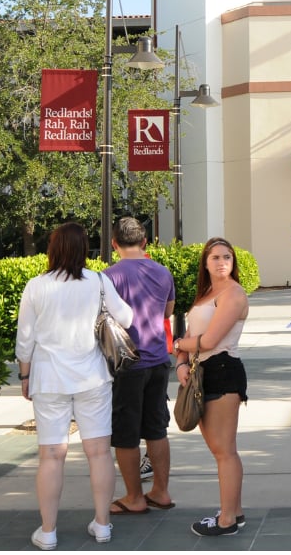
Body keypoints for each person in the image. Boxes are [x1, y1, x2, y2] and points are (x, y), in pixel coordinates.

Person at [15, 222, 133, 550]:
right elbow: (127, 319)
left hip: (49, 378)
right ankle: (102, 524)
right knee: (98, 454)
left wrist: (25, 376)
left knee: (52, 456)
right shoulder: (98, 281)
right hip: (93, 376)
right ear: (84, 249)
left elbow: (25, 339)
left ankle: (48, 531)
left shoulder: (36, 286)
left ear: (53, 248)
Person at [172, 237, 250, 536]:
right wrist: (180, 361)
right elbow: (194, 331)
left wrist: (178, 344)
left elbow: (208, 341)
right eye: (215, 257)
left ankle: (227, 520)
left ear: (233, 263)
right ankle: (234, 512)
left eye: (227, 257)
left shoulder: (233, 294)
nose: (221, 262)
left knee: (224, 452)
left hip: (222, 370)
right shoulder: (206, 293)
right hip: (200, 372)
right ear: (205, 263)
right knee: (221, 450)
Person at [103, 217, 176, 515]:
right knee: (157, 429)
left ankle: (134, 496)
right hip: (159, 359)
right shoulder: (162, 271)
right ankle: (161, 491)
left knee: (126, 434)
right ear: (145, 242)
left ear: (114, 243)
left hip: (127, 363)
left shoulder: (108, 276)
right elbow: (168, 311)